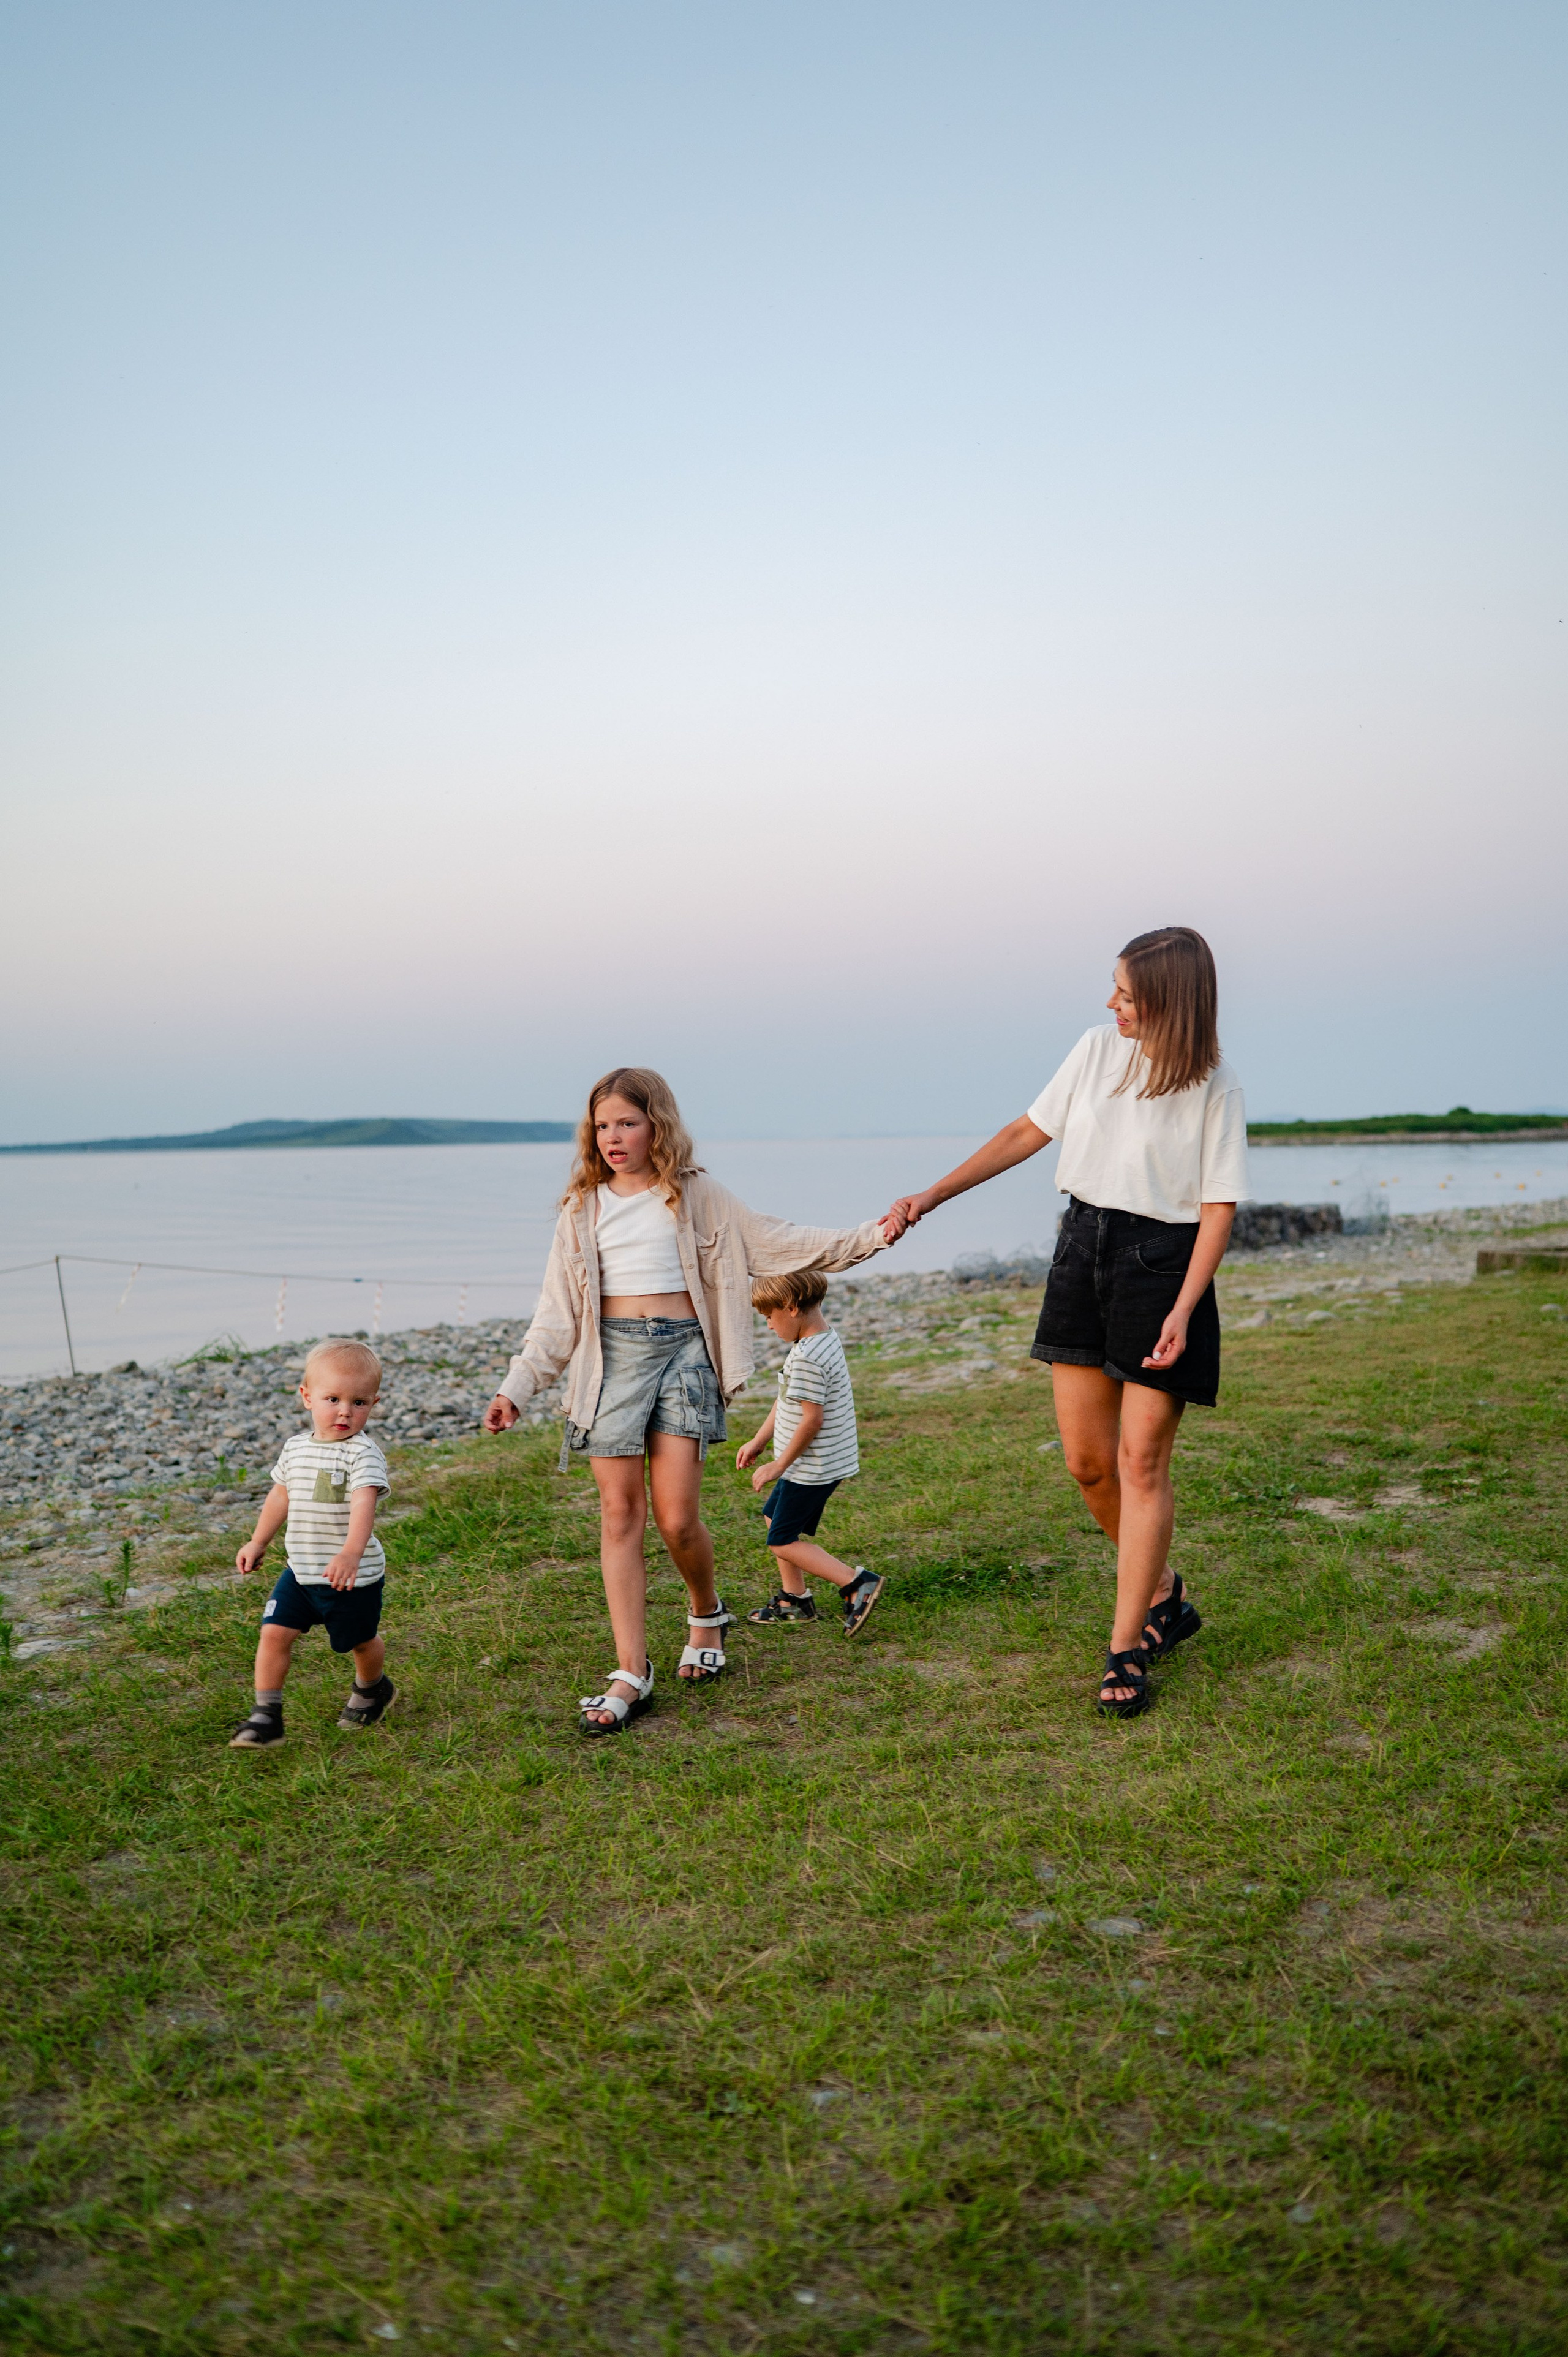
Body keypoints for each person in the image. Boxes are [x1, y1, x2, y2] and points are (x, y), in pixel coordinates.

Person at [886, 927, 1246, 1718]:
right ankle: (1162, 1595)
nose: (1110, 1002)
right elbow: (1027, 1132)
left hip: (1164, 1268)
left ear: (1169, 998)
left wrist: (1185, 1308)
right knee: (1089, 1465)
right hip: (1082, 1248)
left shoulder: (1215, 1086)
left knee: (1141, 1461)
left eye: (1125, 991)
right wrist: (931, 1195)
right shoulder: (1094, 1050)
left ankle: (1126, 1651)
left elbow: (1218, 1208)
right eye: (1114, 988)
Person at [482, 1068, 897, 1737]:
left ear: (657, 1125)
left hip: (684, 1354)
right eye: (603, 1123)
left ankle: (706, 1612)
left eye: (628, 1121)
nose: (614, 1136)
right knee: (619, 1512)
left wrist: (871, 1235)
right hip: (608, 1361)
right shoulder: (581, 1209)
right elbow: (555, 1313)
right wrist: (517, 1386)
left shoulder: (698, 1195)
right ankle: (630, 1670)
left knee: (676, 1519)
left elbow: (780, 1240)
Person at [228, 1339, 395, 1748]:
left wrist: (351, 1553)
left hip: (352, 1577)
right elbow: (281, 1495)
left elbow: (363, 1503)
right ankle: (266, 1717)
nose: (344, 1411)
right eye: (333, 1398)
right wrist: (258, 1540)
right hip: (301, 1571)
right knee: (274, 1633)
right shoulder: (296, 1448)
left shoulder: (363, 1454)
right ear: (306, 1397)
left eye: (359, 1402)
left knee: (359, 1642)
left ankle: (374, 1688)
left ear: (374, 1403)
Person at [737, 1267, 884, 1637]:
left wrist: (778, 1463)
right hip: (819, 1462)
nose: (768, 1326)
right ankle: (794, 1599)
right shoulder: (821, 1339)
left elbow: (811, 1421)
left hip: (811, 1466)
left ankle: (857, 1583)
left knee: (782, 1540)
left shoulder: (807, 1358)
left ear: (789, 1307)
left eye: (768, 1316)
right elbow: (787, 1398)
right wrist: (759, 1440)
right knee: (775, 1518)